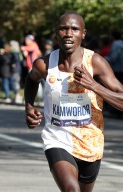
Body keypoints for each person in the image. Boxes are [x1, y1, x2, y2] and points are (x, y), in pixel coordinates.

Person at [24, 12, 123, 192]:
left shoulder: (96, 63)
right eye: (64, 28)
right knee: (71, 189)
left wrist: (93, 85)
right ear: (56, 33)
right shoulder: (44, 64)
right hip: (57, 139)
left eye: (74, 29)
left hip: (90, 143)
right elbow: (31, 80)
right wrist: (29, 107)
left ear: (83, 34)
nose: (69, 33)